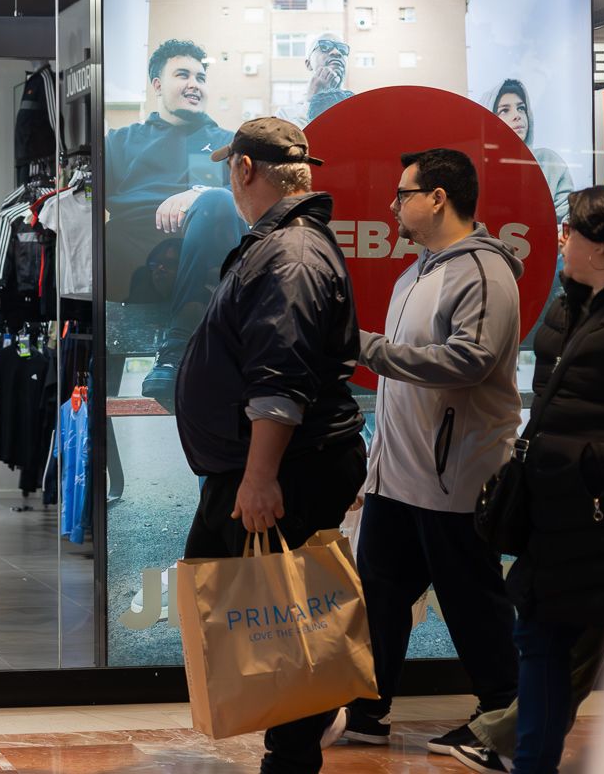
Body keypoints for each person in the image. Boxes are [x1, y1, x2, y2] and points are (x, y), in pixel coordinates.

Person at [454, 184, 604, 774]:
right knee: (542, 645)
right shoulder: (588, 304)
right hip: (565, 525)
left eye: (573, 231)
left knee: (551, 646)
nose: (562, 240)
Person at [175, 117, 366, 774]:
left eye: (230, 167)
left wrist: (260, 476)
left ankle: (295, 748)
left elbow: (279, 376)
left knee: (287, 623)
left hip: (286, 467)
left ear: (245, 170)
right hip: (271, 464)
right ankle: (298, 732)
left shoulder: (289, 252)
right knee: (251, 606)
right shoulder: (283, 243)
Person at [327, 149, 521, 753]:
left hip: (455, 477)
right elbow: (402, 380)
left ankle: (505, 715)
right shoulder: (417, 272)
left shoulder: (485, 272)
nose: (393, 205)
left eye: (403, 193)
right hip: (400, 475)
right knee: (378, 592)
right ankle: (366, 709)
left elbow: (471, 360)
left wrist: (368, 348)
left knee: (471, 599)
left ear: (438, 197)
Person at [102, 39, 244, 409]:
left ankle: (176, 352)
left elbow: (250, 210)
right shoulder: (119, 142)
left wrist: (199, 193)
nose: (194, 84)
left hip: (208, 267)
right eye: (182, 74)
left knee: (217, 200)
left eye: (200, 76)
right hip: (131, 266)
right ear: (157, 85)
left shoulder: (229, 145)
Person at [488, 78, 574, 224]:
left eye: (521, 108)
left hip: (546, 245)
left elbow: (569, 218)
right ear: (489, 119)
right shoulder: (479, 168)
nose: (517, 115)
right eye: (504, 110)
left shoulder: (549, 162)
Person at [278, 33, 356, 128]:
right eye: (324, 46)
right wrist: (312, 101)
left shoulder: (356, 106)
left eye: (342, 49)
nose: (336, 52)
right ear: (308, 64)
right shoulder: (286, 114)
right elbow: (297, 142)